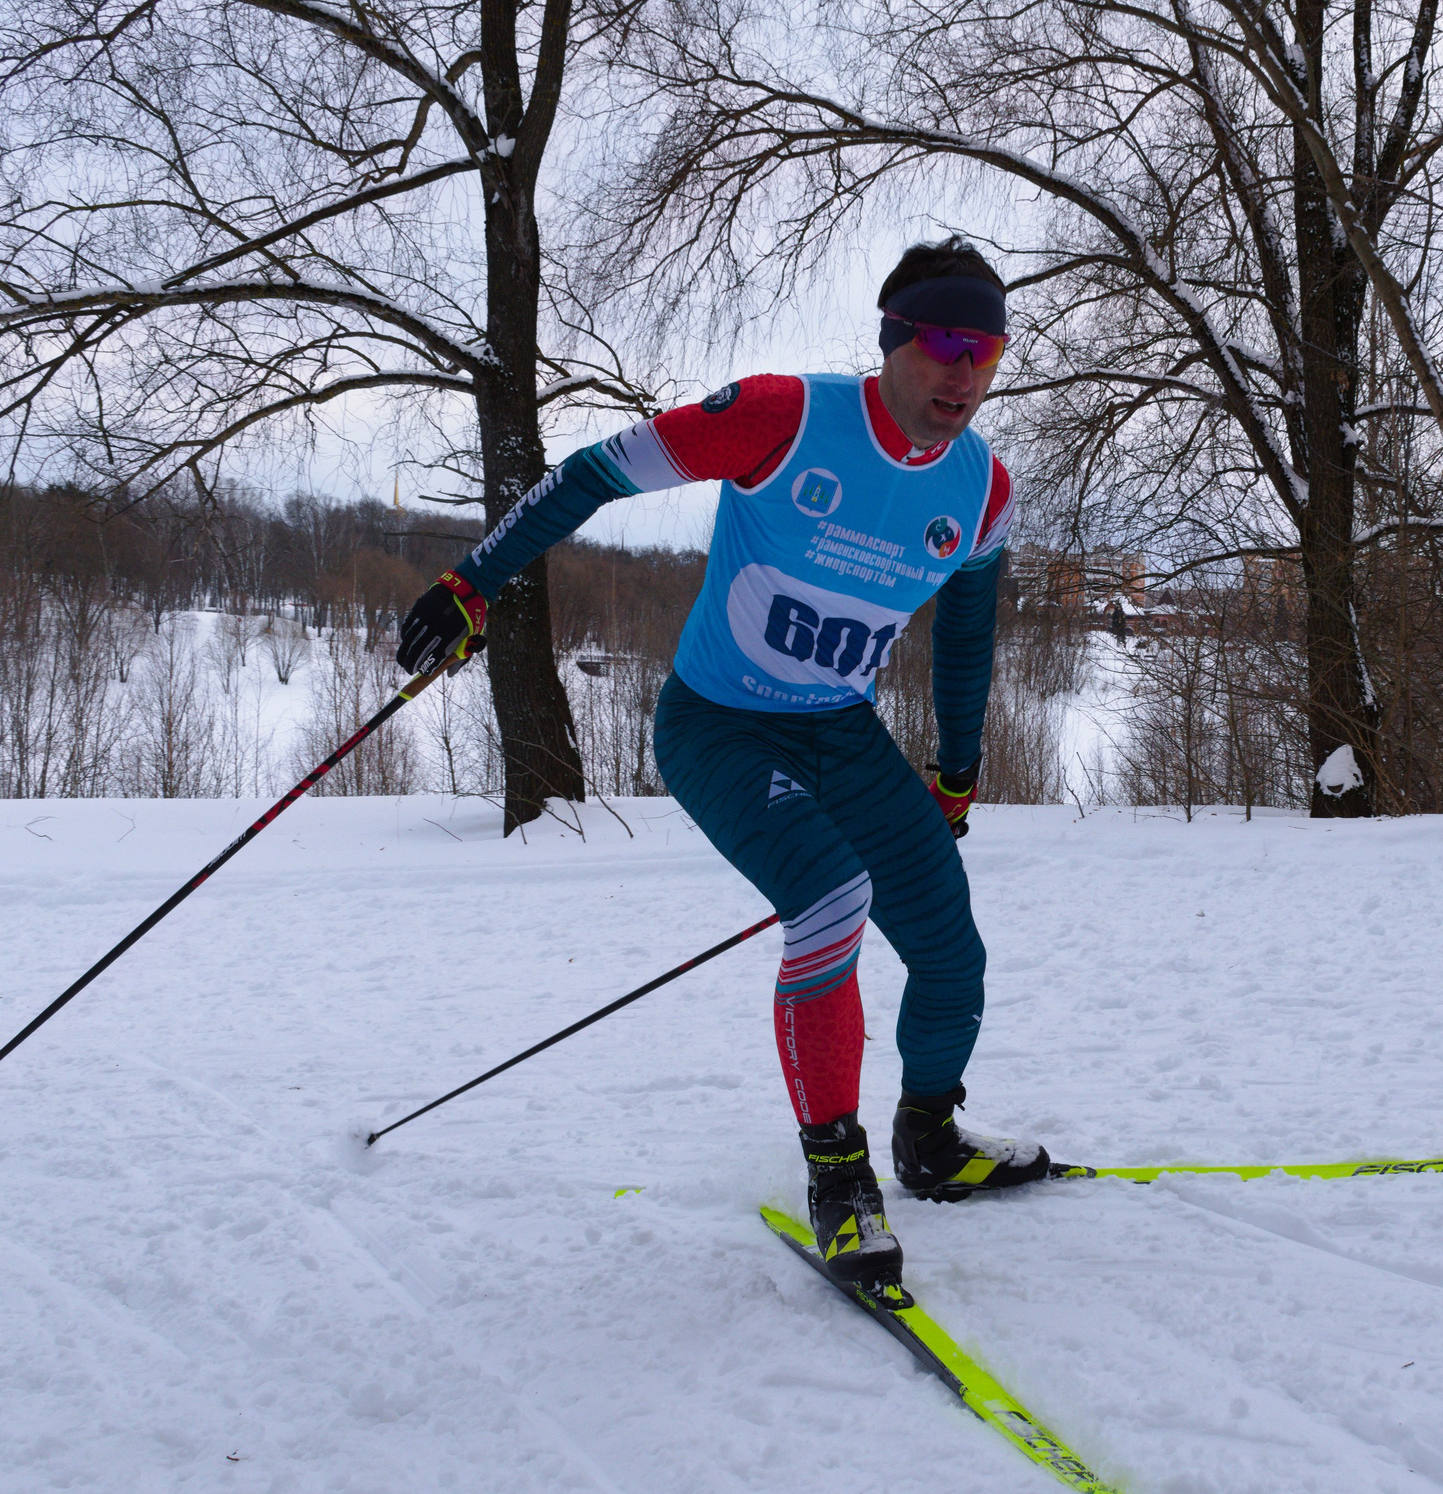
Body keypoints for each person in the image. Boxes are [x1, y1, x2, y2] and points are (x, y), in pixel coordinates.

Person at [396, 237, 1050, 1291]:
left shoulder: (981, 491)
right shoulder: (783, 418)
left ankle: (929, 1136)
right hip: (720, 726)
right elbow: (594, 473)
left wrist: (957, 775)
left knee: (948, 946)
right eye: (938, 342)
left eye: (984, 347)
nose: (961, 370)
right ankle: (838, 1181)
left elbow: (967, 639)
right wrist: (474, 585)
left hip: (841, 730)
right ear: (890, 342)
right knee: (832, 901)